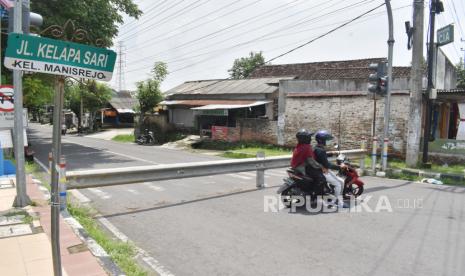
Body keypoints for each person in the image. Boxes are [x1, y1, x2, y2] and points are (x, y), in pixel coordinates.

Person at [314, 130, 346, 208]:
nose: (329, 141)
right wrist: (339, 167)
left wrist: (331, 153)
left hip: (321, 169)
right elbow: (327, 165)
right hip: (322, 171)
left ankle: (334, 197)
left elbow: (321, 157)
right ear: (322, 140)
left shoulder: (317, 148)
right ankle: (334, 202)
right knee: (339, 184)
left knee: (341, 182)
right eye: (327, 140)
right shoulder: (320, 150)